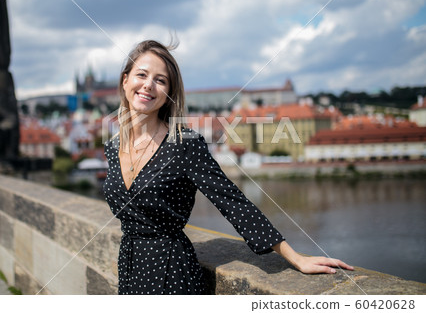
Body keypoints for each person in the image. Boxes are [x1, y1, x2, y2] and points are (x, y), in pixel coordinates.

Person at [103, 39, 353, 295]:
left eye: (161, 80)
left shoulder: (184, 145)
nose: (148, 85)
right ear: (125, 81)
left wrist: (295, 257)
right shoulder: (113, 148)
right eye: (142, 74)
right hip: (130, 269)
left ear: (168, 94)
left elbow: (233, 202)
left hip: (171, 273)